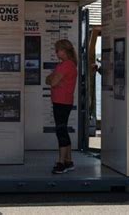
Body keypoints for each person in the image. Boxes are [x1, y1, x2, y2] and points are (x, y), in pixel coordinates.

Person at [45, 39, 78, 174]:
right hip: (64, 101)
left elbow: (51, 82)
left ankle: (61, 162)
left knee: (61, 131)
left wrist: (54, 79)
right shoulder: (69, 65)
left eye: (58, 50)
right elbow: (50, 80)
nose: (56, 52)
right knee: (63, 129)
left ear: (64, 51)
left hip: (61, 102)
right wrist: (54, 79)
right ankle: (68, 161)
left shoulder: (65, 66)